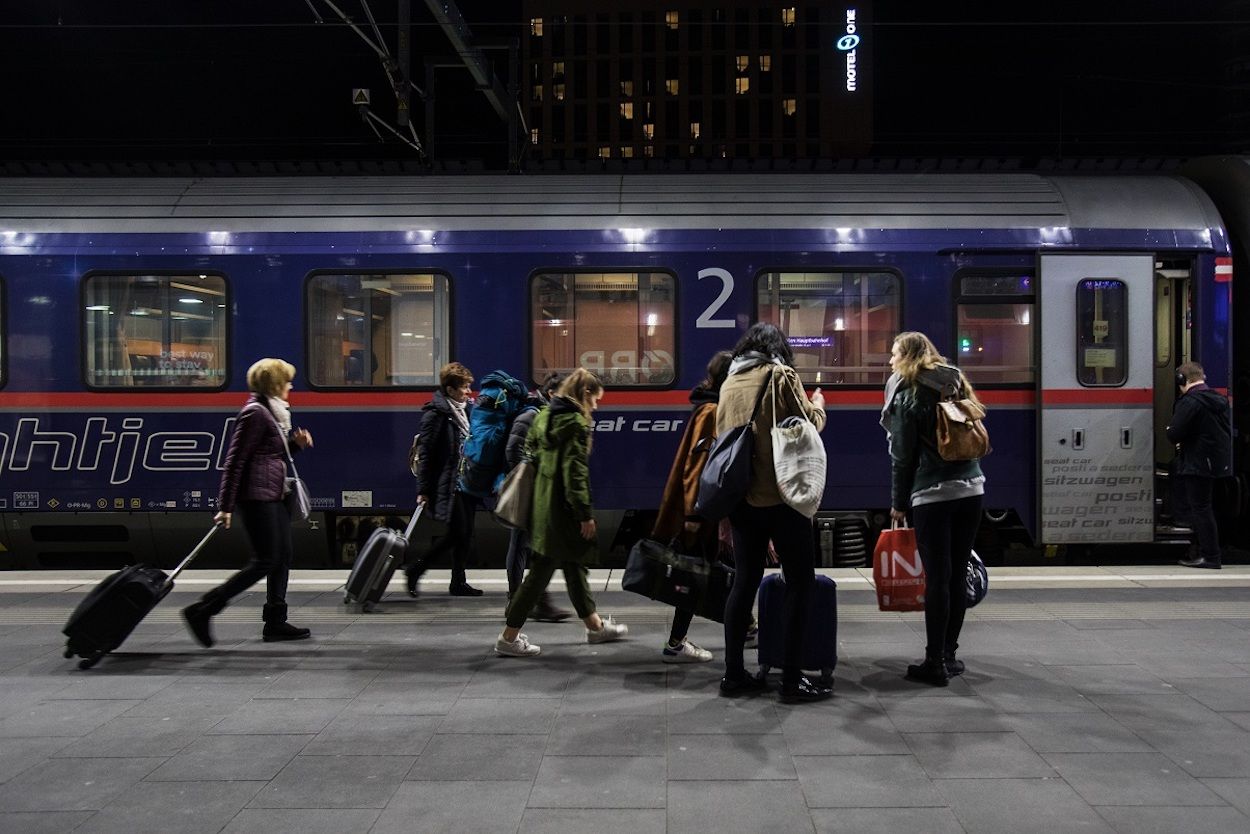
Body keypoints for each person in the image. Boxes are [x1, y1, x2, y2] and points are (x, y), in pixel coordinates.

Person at [716, 323, 830, 703]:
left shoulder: (730, 381)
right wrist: (819, 406)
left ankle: (734, 674)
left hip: (742, 499)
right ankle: (792, 680)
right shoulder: (781, 375)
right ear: (778, 348)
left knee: (744, 582)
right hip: (783, 497)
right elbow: (807, 424)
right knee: (800, 582)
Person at [494, 368, 628, 657]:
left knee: (574, 566)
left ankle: (595, 627)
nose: (596, 405)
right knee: (538, 576)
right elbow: (575, 473)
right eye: (596, 399)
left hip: (543, 506)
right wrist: (584, 514)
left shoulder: (543, 416)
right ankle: (508, 637)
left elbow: (534, 456)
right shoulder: (577, 424)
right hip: (563, 511)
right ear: (585, 394)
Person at [182, 358, 314, 646]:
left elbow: (267, 456)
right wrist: (225, 506)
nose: (291, 385)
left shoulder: (273, 412)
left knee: (282, 557)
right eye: (287, 380)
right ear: (275, 384)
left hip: (274, 494)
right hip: (256, 498)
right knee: (265, 561)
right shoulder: (255, 413)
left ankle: (276, 622)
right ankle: (203, 609)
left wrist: (295, 446)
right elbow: (235, 461)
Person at [882, 331, 985, 686]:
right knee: (957, 575)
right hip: (973, 489)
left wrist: (898, 503)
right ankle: (950, 654)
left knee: (938, 578)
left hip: (933, 495)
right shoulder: (954, 384)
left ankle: (934, 662)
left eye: (895, 354)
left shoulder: (908, 395)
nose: (890, 360)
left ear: (908, 357)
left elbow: (901, 457)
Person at [650, 350, 734, 664]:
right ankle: (676, 642)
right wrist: (694, 514)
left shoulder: (708, 407)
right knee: (695, 575)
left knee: (707, 572)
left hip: (706, 510)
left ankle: (744, 626)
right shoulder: (711, 412)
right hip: (702, 512)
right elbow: (697, 466)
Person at [407, 362, 484, 597]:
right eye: (464, 387)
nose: (469, 392)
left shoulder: (468, 411)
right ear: (450, 390)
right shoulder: (436, 414)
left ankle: (458, 582)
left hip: (468, 480)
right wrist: (423, 489)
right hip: (449, 482)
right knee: (457, 533)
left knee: (466, 533)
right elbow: (426, 454)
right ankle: (416, 569)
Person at [503, 371, 571, 622]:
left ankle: (522, 602)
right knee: (530, 546)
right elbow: (514, 451)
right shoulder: (531, 415)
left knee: (525, 545)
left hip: (538, 490)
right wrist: (534, 479)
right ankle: (527, 602)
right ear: (552, 393)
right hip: (530, 491)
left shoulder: (545, 415)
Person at [1169, 361, 1232, 569]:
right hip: (1213, 462)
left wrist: (1170, 429)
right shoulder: (1217, 399)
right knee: (1205, 507)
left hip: (1197, 462)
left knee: (1201, 509)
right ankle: (1206, 550)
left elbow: (1174, 433)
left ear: (1182, 380)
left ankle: (1211, 556)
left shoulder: (1191, 402)